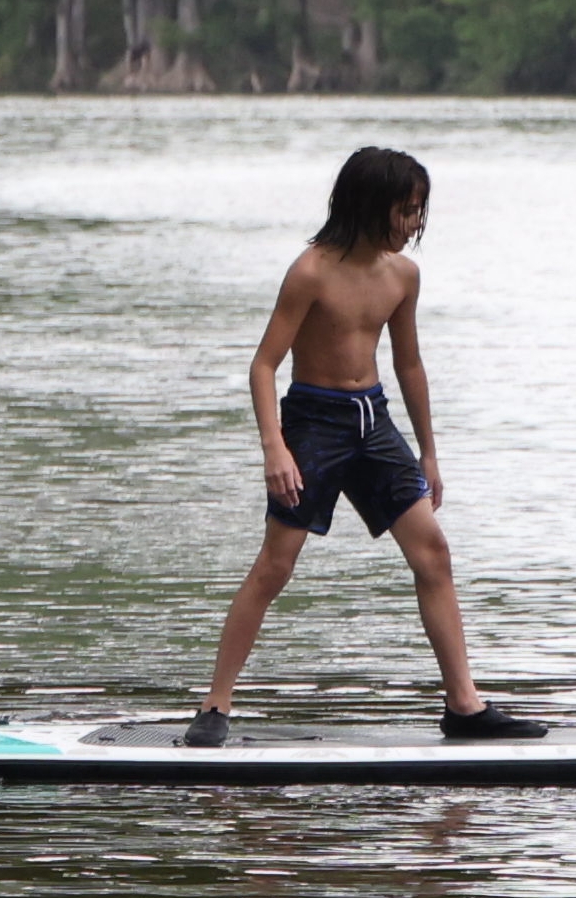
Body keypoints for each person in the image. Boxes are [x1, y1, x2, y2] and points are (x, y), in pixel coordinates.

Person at [188, 145, 535, 741]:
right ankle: (215, 705)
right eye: (405, 210)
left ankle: (464, 707)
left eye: (419, 211)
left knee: (433, 553)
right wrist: (275, 448)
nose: (413, 225)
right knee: (275, 565)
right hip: (313, 425)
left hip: (373, 423)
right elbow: (264, 365)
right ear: (370, 206)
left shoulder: (403, 276)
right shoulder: (311, 272)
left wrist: (428, 453)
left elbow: (410, 365)